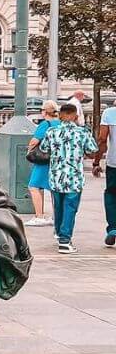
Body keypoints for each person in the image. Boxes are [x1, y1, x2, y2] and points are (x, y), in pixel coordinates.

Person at [38, 102, 98, 255]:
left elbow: (44, 149)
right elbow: (93, 150)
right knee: (70, 208)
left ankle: (59, 234)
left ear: (60, 115)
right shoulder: (82, 132)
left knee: (58, 207)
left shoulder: (51, 132)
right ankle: (65, 241)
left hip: (56, 177)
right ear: (75, 116)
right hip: (74, 178)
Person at [25, 101, 60, 227]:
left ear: (45, 111)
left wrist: (28, 150)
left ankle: (39, 216)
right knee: (53, 188)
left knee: (34, 186)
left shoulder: (45, 124)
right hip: (57, 160)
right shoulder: (60, 123)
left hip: (44, 160)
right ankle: (56, 217)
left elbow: (35, 141)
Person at [93, 98, 116, 249]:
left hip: (114, 162)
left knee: (111, 194)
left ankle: (113, 228)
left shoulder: (109, 113)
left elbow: (102, 139)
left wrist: (96, 161)